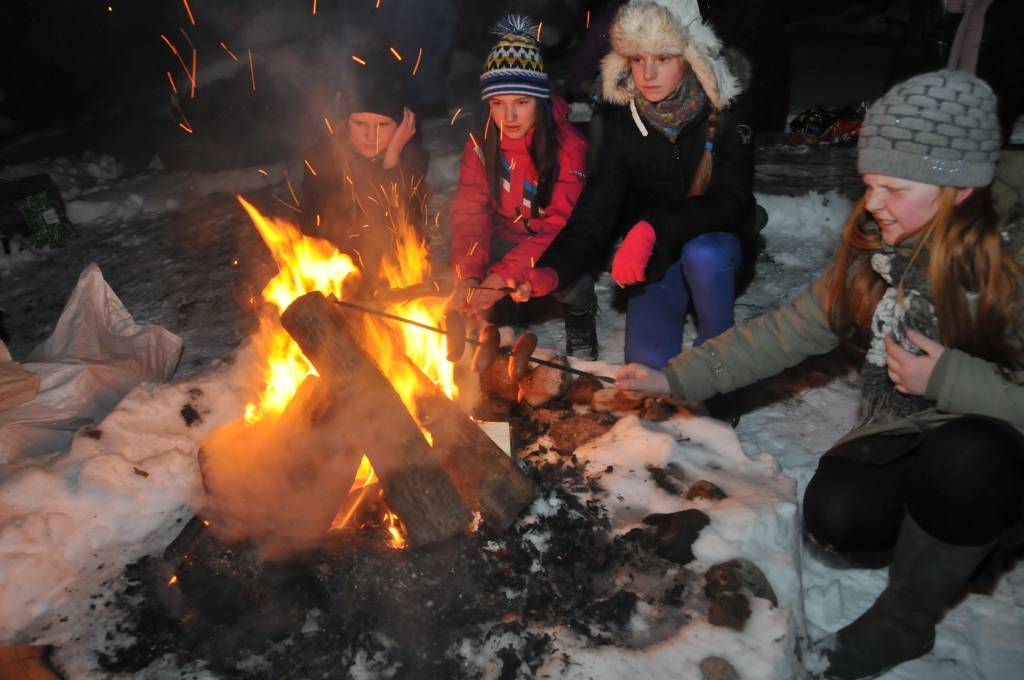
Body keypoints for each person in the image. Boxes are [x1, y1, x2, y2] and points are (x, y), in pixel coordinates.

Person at [614, 69, 1024, 680]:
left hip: (997, 437)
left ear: (958, 189)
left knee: (967, 462)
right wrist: (674, 379)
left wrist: (951, 380)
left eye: (893, 187)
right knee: (841, 515)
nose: (872, 203)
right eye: (868, 184)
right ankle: (949, 529)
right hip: (913, 424)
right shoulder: (879, 247)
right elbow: (789, 329)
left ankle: (909, 616)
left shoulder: (1012, 260)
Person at [518, 0, 759, 372]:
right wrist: (551, 270)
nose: (647, 73)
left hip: (716, 240)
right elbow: (596, 210)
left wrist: (650, 228)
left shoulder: (726, 114)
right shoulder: (624, 121)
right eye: (637, 58)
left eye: (663, 58)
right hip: (658, 253)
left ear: (690, 57)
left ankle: (720, 360)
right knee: (647, 365)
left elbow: (732, 201)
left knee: (705, 254)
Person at [448, 15, 594, 358]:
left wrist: (499, 280)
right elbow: (470, 211)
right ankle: (500, 329)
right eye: (498, 104)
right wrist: (471, 278)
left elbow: (560, 226)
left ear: (540, 101)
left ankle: (581, 316)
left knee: (573, 280)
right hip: (504, 241)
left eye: (521, 103)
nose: (508, 117)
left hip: (554, 244)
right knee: (472, 288)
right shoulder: (481, 144)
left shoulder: (569, 148)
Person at [299, 46, 429, 295]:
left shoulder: (412, 159)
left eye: (383, 124)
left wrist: (392, 159)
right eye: (361, 124)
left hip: (394, 275)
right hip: (338, 275)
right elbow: (313, 229)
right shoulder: (322, 158)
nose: (371, 136)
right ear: (347, 122)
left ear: (402, 125)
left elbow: (400, 231)